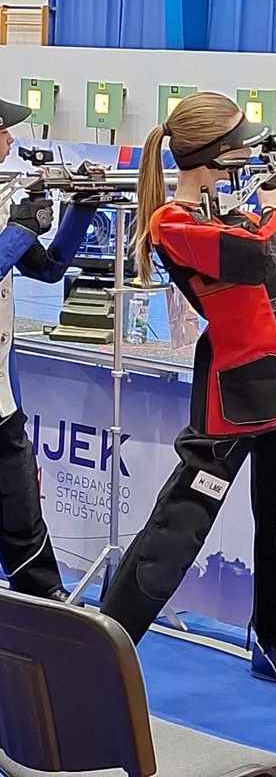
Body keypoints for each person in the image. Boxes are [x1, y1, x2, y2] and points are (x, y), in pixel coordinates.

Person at [102, 91, 276, 694]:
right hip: (234, 403)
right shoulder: (174, 223)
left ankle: (275, 644)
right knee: (177, 530)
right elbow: (259, 258)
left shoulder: (230, 216)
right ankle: (102, 647)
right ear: (215, 155)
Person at [0, 97, 96, 600]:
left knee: (23, 512)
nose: (11, 141)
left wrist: (82, 208)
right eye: (3, 133)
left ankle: (45, 603)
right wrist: (19, 229)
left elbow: (49, 268)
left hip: (2, 399)